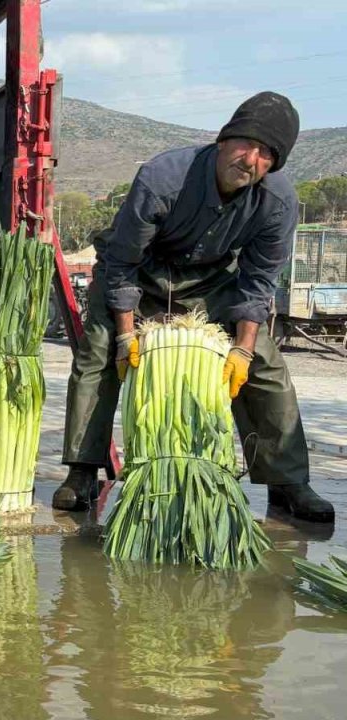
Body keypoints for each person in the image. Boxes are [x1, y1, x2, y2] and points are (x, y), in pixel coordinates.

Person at [55, 91, 334, 523]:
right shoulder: (163, 177)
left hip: (207, 280)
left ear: (274, 165)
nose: (251, 159)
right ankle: (81, 471)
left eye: (267, 155)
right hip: (137, 272)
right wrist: (128, 333)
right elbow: (124, 264)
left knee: (266, 365)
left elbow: (257, 283)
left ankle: (288, 482)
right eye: (246, 144)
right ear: (223, 140)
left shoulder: (278, 202)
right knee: (98, 351)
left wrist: (241, 349)